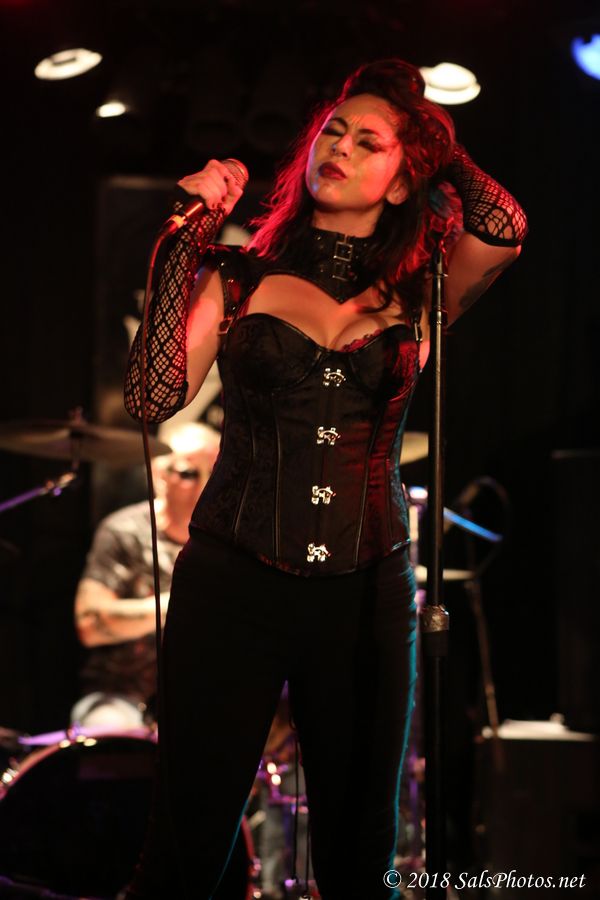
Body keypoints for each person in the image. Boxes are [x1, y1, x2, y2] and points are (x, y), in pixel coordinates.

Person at [122, 58, 527, 899]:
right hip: (231, 580)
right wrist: (185, 233)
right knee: (184, 853)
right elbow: (152, 397)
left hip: (365, 592)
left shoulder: (424, 284)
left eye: (367, 141)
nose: (338, 147)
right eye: (332, 132)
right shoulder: (239, 275)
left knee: (357, 861)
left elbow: (504, 224)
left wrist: (432, 143)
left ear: (402, 178)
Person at [70, 422, 221, 730]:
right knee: (110, 729)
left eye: (216, 473)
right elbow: (89, 625)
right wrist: (175, 605)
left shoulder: (230, 542)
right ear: (159, 474)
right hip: (122, 696)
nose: (206, 486)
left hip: (208, 699)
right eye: (189, 473)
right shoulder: (123, 531)